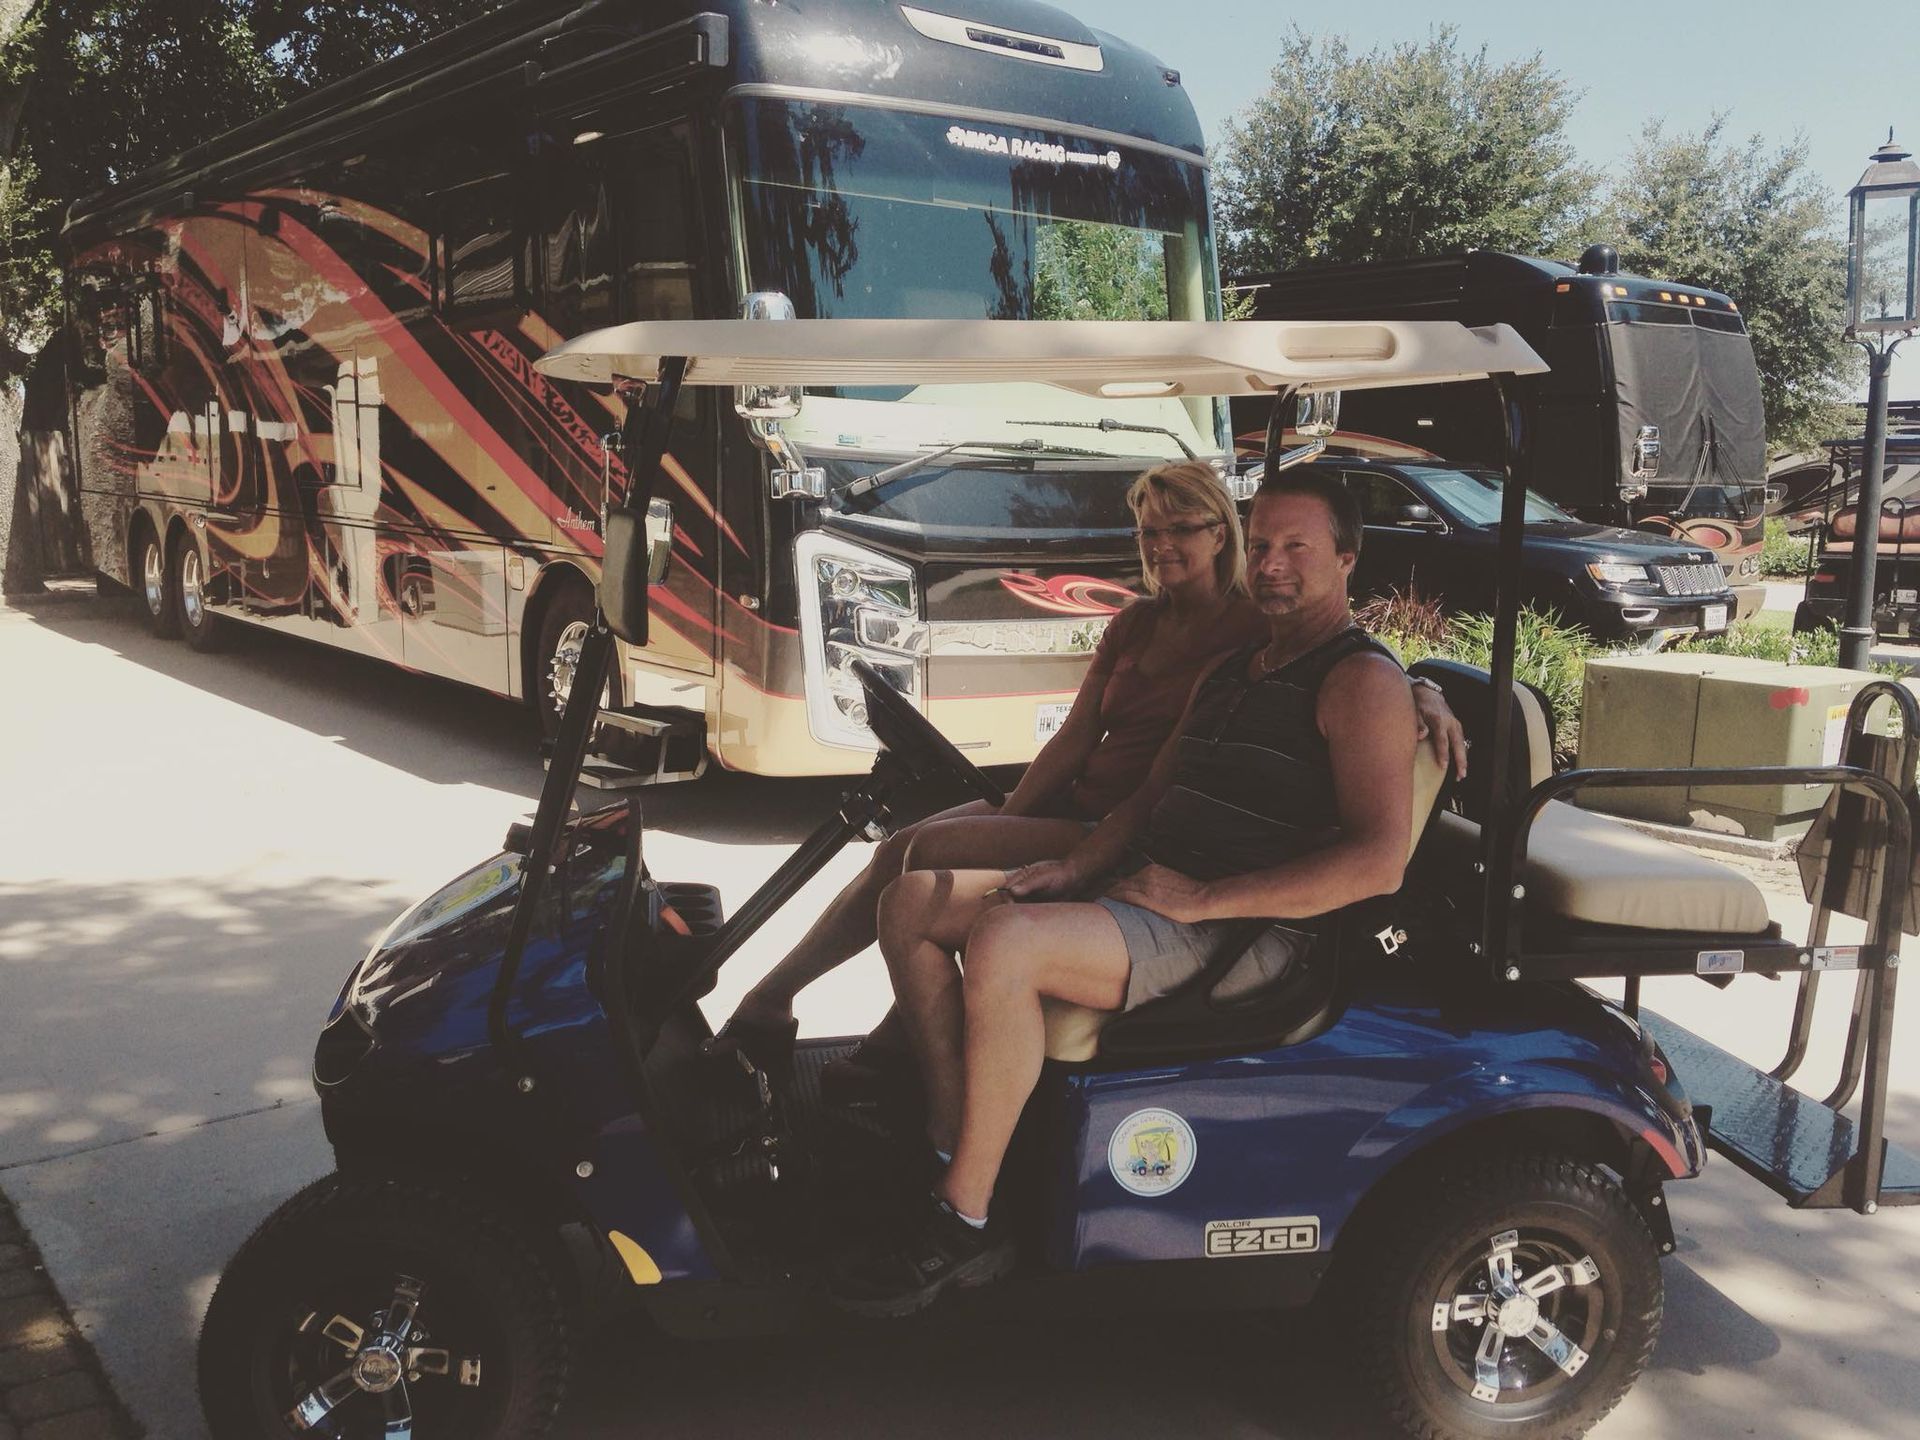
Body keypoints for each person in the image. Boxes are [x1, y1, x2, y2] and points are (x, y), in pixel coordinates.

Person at [843, 467, 1422, 1313]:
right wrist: (1077, 867)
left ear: (1347, 558)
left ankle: (964, 1218)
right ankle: (955, 1138)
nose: (1271, 564)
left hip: (1237, 929)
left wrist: (1204, 900)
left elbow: (1378, 862)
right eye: (1263, 544)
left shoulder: (1360, 682)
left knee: (1005, 940)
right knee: (911, 902)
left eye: (1297, 547)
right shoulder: (1238, 668)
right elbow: (1149, 798)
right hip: (1150, 886)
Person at [708, 461, 1466, 1083]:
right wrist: (1009, 812)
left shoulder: (1253, 620)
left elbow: (1341, 654)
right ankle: (830, 1020)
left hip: (1123, 824)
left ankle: (854, 1035)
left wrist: (1418, 688)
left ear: (1220, 533)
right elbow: (1075, 739)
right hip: (1080, 802)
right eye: (1149, 532)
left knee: (921, 854)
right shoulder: (1138, 622)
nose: (1162, 546)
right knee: (907, 851)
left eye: (1181, 529)